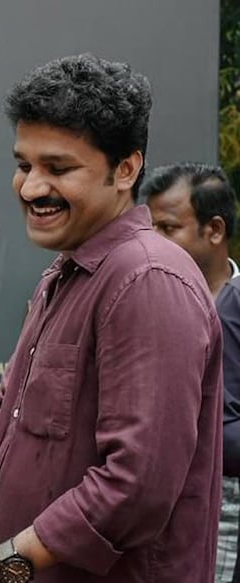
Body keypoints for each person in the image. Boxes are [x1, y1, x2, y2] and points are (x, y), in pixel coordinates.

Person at [0, 54, 222, 582]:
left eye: (58, 168)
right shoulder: (66, 275)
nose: (30, 188)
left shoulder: (146, 281)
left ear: (126, 169)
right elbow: (17, 440)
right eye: (24, 165)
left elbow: (134, 489)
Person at [142, 163, 240, 582]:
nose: (153, 242)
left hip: (224, 505)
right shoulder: (142, 299)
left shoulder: (234, 309)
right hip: (147, 507)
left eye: (168, 228)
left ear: (214, 230)